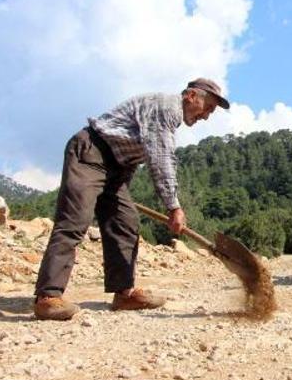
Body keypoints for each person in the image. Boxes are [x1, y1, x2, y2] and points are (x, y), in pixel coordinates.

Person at [33, 78, 230, 320]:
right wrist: (173, 206)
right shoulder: (166, 108)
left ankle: (124, 293)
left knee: (125, 223)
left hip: (117, 168)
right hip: (92, 153)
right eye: (208, 108)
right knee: (75, 221)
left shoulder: (171, 115)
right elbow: (161, 158)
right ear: (191, 96)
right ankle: (48, 297)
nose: (207, 116)